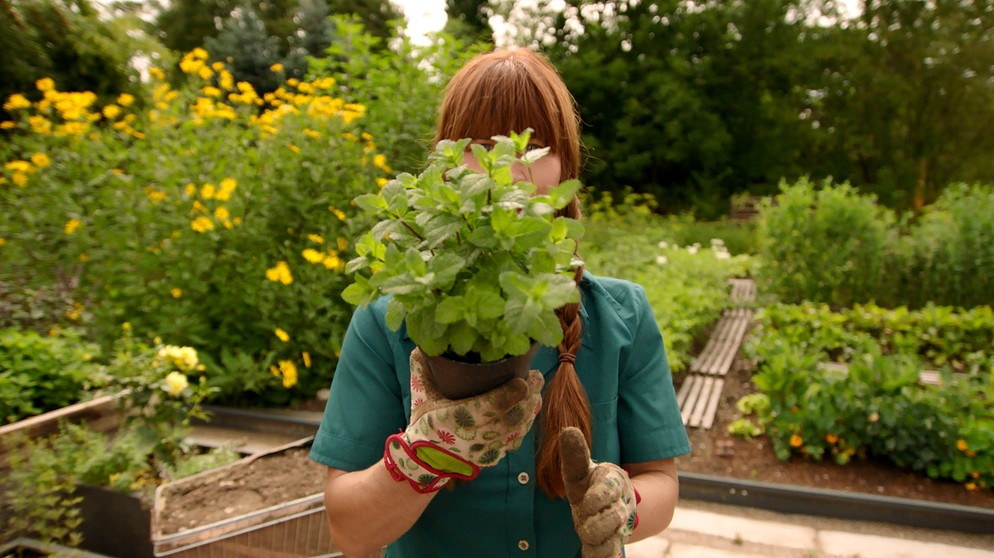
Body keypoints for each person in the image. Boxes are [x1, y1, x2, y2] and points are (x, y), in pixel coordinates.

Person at [309, 47, 691, 558]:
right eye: (484, 145)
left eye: (536, 147)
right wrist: (424, 457)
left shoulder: (623, 313)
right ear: (446, 165)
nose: (511, 167)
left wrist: (623, 503)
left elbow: (661, 482)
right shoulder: (388, 320)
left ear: (564, 169)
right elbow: (349, 532)